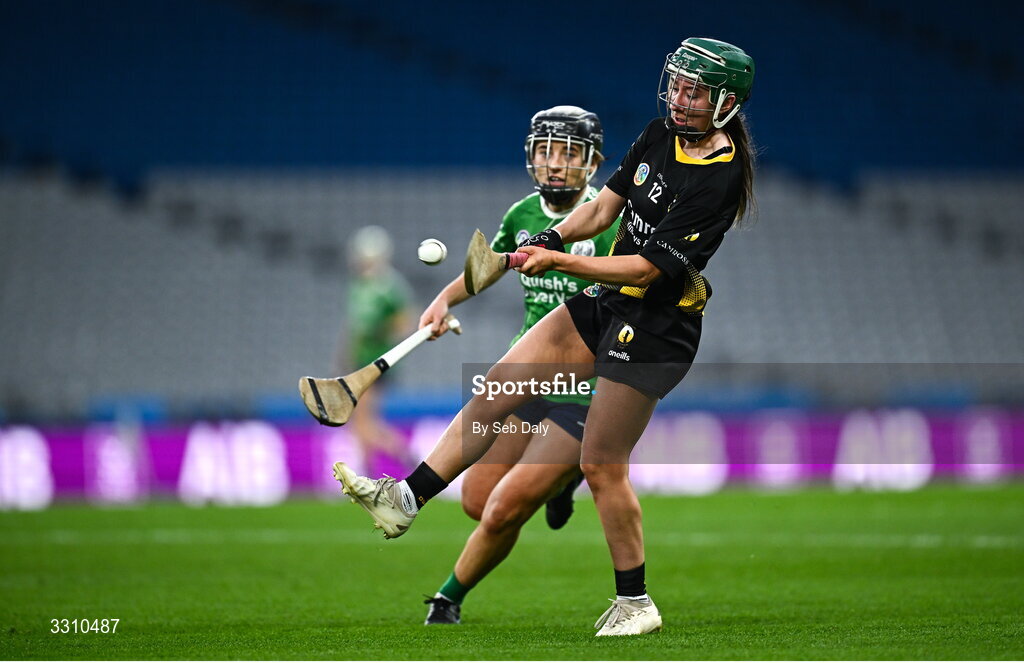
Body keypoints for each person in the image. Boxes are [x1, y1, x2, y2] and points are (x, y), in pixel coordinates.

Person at [332, 38, 756, 637]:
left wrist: (559, 262)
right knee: (498, 386)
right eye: (678, 86)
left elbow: (645, 270)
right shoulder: (660, 133)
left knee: (602, 464)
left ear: (727, 103)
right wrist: (553, 238)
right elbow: (603, 210)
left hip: (656, 327)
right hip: (610, 302)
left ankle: (636, 603)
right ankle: (406, 499)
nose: (681, 99)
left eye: (696, 92)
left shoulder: (719, 177)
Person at [416, 106, 621, 625]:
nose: (554, 162)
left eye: (568, 152)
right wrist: (444, 299)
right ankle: (563, 483)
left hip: (585, 392)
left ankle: (448, 597)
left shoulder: (609, 219)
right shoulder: (523, 214)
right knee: (477, 501)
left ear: (593, 162)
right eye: (545, 151)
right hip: (526, 378)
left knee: (506, 507)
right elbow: (489, 268)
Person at [336, 225, 413, 473]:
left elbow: (404, 322)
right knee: (361, 421)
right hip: (360, 361)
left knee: (361, 419)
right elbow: (354, 327)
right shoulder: (360, 286)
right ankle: (395, 457)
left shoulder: (388, 286)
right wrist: (345, 356)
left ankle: (372, 470)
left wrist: (380, 335)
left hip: (376, 362)